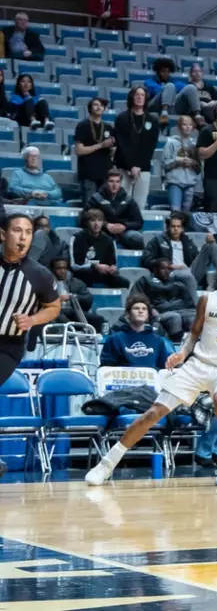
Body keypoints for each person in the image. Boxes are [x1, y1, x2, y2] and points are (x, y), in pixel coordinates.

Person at [85, 252, 217, 487]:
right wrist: (182, 354)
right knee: (153, 413)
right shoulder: (209, 299)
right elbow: (193, 334)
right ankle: (106, 465)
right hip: (197, 365)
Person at [0, 212, 61, 472]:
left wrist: (32, 320)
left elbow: (54, 307)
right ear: (3, 235)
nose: (23, 236)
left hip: (7, 345)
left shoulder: (40, 275)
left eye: (27, 232)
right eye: (17, 230)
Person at [112, 87, 160, 209]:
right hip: (123, 167)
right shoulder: (122, 118)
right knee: (121, 203)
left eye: (142, 95)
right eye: (136, 95)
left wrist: (138, 166)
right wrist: (130, 166)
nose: (139, 97)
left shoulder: (152, 120)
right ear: (132, 97)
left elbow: (150, 147)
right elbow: (121, 144)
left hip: (143, 168)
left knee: (140, 205)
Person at [100, 297, 173, 369]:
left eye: (144, 309)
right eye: (136, 308)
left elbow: (163, 368)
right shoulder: (115, 339)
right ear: (128, 314)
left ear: (148, 316)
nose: (140, 311)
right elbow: (106, 368)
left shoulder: (158, 340)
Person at [73, 97, 118, 197]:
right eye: (96, 105)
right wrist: (101, 145)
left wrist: (113, 149)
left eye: (102, 105)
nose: (99, 107)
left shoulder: (108, 127)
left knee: (106, 208)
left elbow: (111, 153)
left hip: (105, 174)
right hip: (88, 174)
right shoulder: (82, 126)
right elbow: (79, 150)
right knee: (90, 208)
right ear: (90, 108)